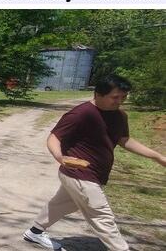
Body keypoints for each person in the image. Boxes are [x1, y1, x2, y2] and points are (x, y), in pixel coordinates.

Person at [22, 75, 166, 250]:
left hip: (96, 173)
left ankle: (34, 232)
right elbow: (54, 137)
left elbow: (124, 140)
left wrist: (157, 157)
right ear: (98, 94)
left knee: (63, 204)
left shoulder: (120, 115)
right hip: (78, 173)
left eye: (123, 97)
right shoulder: (81, 113)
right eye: (115, 97)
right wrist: (60, 157)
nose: (119, 101)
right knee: (101, 215)